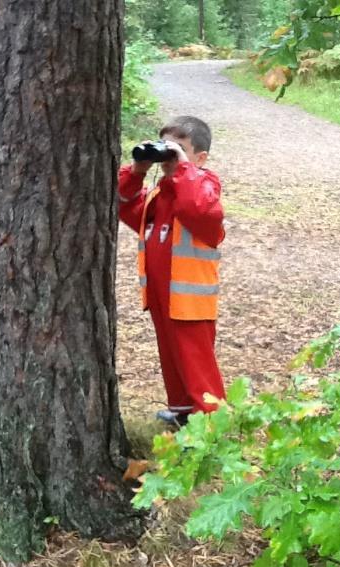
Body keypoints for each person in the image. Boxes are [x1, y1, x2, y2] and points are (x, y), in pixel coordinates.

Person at [118, 115, 225, 427]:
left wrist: (183, 169)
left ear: (200, 158)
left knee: (196, 362)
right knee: (172, 357)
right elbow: (125, 206)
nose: (169, 156)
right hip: (164, 294)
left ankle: (209, 425)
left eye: (178, 149)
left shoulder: (203, 186)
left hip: (190, 297)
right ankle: (182, 412)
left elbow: (199, 210)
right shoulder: (160, 193)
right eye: (165, 148)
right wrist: (137, 171)